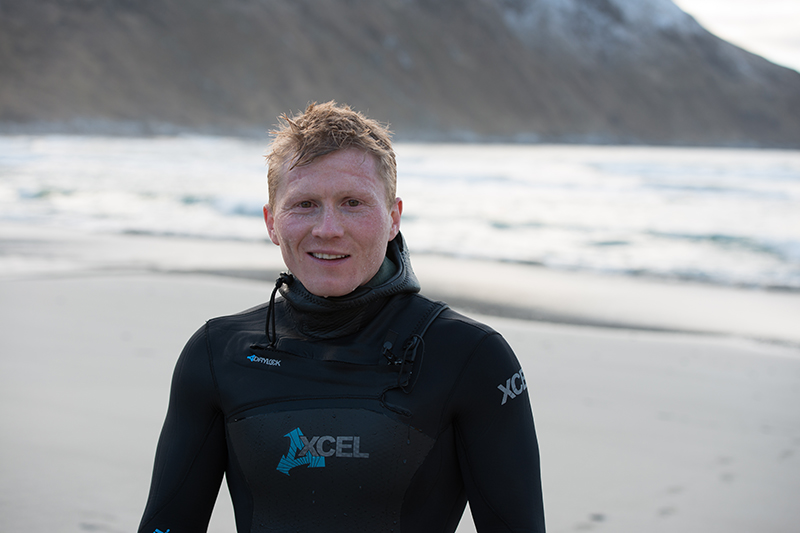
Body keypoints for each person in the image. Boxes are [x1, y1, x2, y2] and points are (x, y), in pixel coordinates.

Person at [139, 101, 545, 532]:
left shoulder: (470, 358)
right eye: (305, 204)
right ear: (272, 222)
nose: (328, 229)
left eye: (353, 203)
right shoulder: (218, 354)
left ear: (393, 218)